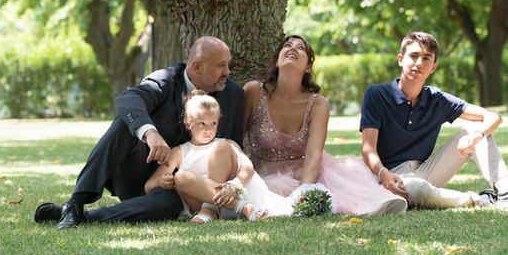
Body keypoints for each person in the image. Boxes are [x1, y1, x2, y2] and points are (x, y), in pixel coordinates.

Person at [34, 36, 244, 228]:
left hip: (178, 190)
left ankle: (83, 216)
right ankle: (75, 203)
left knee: (166, 207)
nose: (227, 71)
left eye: (227, 64)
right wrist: (150, 134)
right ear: (196, 67)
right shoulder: (167, 79)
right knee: (124, 124)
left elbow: (230, 149)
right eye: (220, 65)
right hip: (136, 174)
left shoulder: (233, 94)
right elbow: (127, 100)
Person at [360, 31, 508, 209]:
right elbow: (368, 148)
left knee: (475, 128)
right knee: (418, 190)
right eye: (413, 56)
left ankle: (507, 190)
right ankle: (482, 200)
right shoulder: (377, 95)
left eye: (426, 58)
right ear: (400, 59)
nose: (419, 62)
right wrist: (383, 174)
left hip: (427, 170)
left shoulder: (436, 99)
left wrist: (477, 134)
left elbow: (493, 117)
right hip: (392, 176)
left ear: (433, 67)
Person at [244, 35, 407, 216]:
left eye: (300, 48)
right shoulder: (254, 92)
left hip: (307, 173)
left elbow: (314, 154)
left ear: (308, 67)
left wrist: (303, 193)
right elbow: (235, 139)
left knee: (346, 197)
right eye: (287, 45)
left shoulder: (318, 104)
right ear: (276, 61)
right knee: (260, 196)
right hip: (260, 174)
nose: (292, 49)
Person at [145, 90, 291, 223]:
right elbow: (149, 186)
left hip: (233, 194)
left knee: (221, 149)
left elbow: (248, 168)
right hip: (204, 202)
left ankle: (210, 210)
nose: (208, 129)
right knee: (180, 177)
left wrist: (235, 185)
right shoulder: (178, 152)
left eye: (213, 123)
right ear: (188, 122)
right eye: (202, 123)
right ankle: (241, 208)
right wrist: (163, 183)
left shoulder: (227, 144)